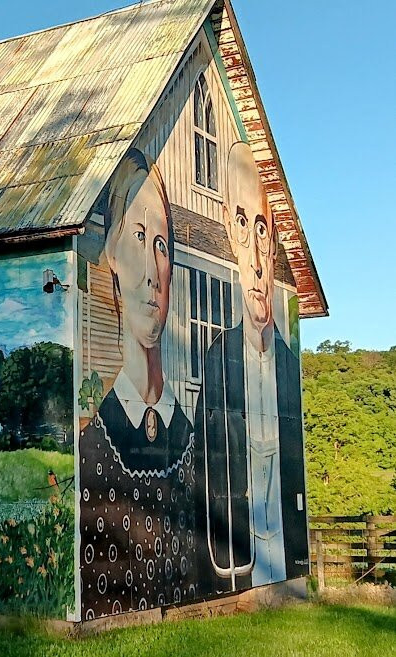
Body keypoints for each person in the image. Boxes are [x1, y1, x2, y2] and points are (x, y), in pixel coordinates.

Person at [78, 149, 196, 618]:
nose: (151, 271)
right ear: (111, 254)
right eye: (138, 237)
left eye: (162, 246)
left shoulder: (189, 439)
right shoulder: (91, 446)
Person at [193, 141, 308, 594]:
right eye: (241, 224)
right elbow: (205, 480)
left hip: (283, 555)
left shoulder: (287, 363)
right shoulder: (218, 359)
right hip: (232, 565)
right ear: (226, 225)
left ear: (275, 236)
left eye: (262, 230)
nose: (258, 263)